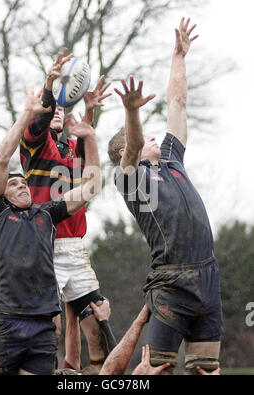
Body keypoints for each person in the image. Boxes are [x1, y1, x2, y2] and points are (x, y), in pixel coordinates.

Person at [108, 18, 223, 375]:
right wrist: (131, 111)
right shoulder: (131, 181)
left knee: (206, 371)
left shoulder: (172, 159)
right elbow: (132, 150)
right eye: (143, 139)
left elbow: (177, 103)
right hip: (171, 285)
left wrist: (179, 56)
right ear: (131, 148)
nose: (154, 139)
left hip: (208, 279)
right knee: (154, 372)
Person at [0, 85, 101, 375]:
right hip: (7, 320)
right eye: (14, 184)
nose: (22, 185)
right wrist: (29, 112)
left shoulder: (46, 214)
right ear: (2, 196)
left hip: (41, 326)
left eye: (24, 183)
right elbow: (0, 160)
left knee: (90, 321)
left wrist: (91, 133)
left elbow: (91, 186)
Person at [20, 47, 114, 370]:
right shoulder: (35, 143)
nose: (57, 111)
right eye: (52, 110)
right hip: (43, 245)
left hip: (74, 248)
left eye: (61, 108)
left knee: (98, 324)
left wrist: (88, 114)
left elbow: (91, 175)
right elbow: (42, 118)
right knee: (50, 328)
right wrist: (49, 89)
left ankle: (88, 375)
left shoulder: (73, 147)